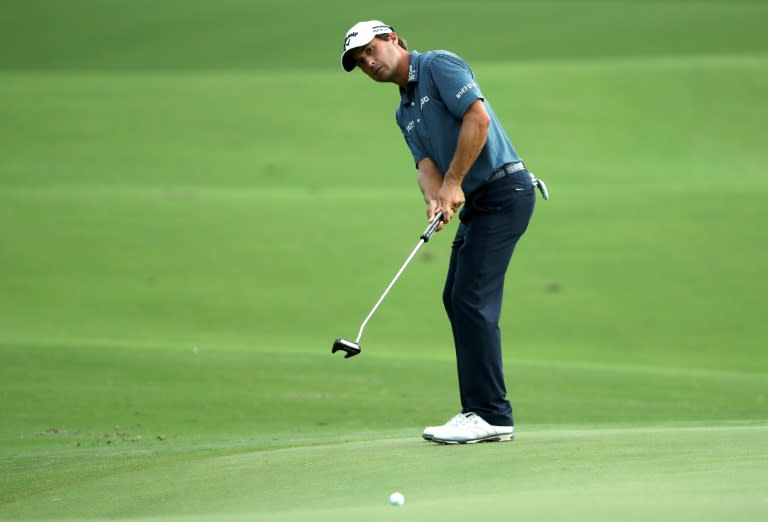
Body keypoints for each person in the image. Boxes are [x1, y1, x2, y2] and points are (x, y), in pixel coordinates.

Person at [340, 20, 542, 444]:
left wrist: (454, 183)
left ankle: (490, 414)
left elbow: (478, 119)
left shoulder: (438, 66)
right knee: (456, 297)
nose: (369, 63)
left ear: (392, 39)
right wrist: (436, 198)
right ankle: (480, 410)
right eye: (360, 62)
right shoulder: (404, 110)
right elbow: (425, 167)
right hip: (482, 202)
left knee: (471, 299)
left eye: (371, 51)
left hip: (505, 191)